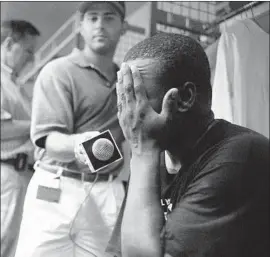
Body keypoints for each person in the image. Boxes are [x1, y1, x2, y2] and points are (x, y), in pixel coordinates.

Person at [110, 33, 269, 257]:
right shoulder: (157, 158)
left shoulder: (243, 154)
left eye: (137, 97)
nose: (128, 114)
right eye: (124, 99)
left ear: (185, 98)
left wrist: (141, 152)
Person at [14, 2, 127, 257]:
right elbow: (47, 138)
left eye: (109, 18)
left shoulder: (126, 80)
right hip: (58, 185)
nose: (100, 25)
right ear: (81, 25)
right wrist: (78, 144)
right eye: (93, 18)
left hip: (107, 189)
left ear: (123, 27)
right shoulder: (58, 71)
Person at [1, 20, 40, 257]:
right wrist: (39, 125)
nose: (31, 59)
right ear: (8, 44)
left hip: (22, 174)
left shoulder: (14, 84)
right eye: (28, 51)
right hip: (6, 172)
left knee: (13, 245)